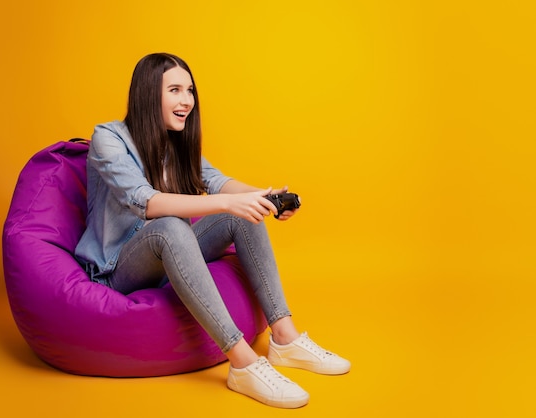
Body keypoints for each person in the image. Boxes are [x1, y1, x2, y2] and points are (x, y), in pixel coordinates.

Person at [74, 52, 350, 408]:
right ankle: (243, 363)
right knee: (171, 227)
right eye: (174, 90)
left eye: (189, 90)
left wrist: (263, 197)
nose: (186, 100)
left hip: (169, 258)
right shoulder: (108, 139)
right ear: (147, 94)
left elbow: (217, 182)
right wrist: (225, 204)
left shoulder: (174, 143)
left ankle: (285, 337)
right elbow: (146, 202)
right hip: (118, 267)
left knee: (239, 216)